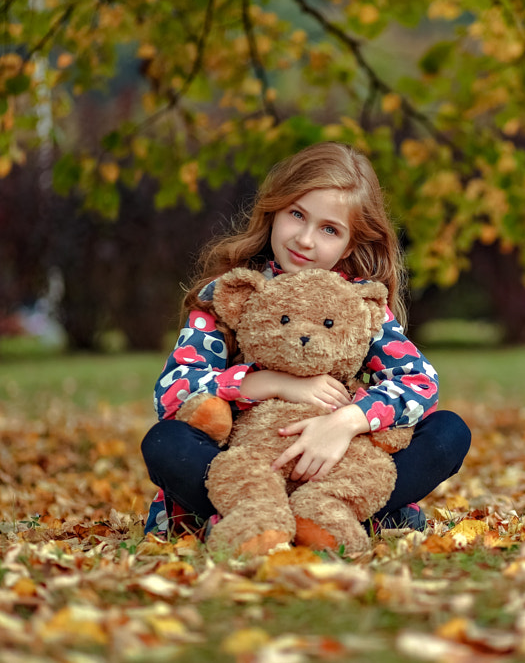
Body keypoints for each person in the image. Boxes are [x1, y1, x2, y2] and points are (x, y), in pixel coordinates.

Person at [140, 141, 471, 542]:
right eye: (297, 215)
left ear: (350, 243)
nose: (305, 239)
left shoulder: (359, 302)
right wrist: (272, 384)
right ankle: (255, 517)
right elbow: (173, 392)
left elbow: (421, 383)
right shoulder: (229, 293)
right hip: (250, 466)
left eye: (329, 229)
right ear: (274, 210)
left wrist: (345, 423)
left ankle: (331, 514)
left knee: (449, 432)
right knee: (164, 442)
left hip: (335, 465)